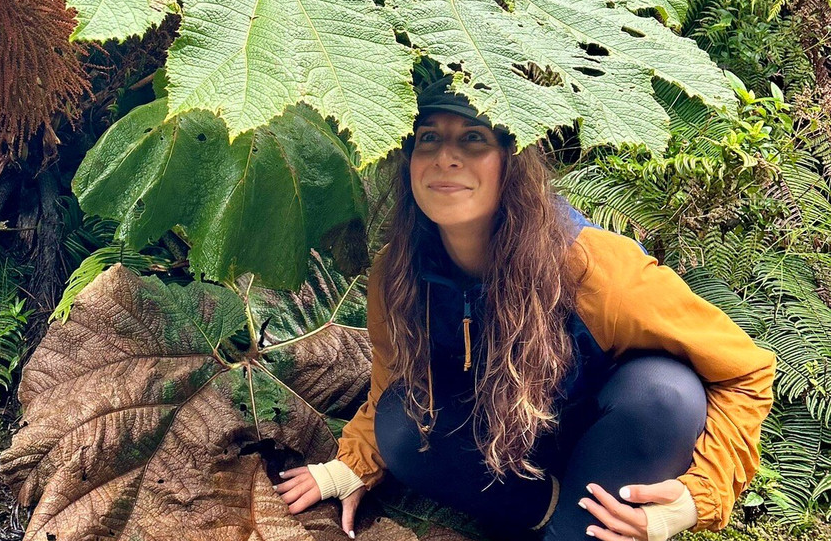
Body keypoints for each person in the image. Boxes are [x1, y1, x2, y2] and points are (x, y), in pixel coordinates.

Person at [275, 79, 775, 541]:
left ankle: (578, 524)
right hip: (514, 450)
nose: (446, 157)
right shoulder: (398, 272)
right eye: (428, 138)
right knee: (401, 421)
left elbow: (745, 370)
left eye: (473, 138)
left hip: (610, 436)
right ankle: (554, 516)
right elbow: (394, 376)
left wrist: (697, 497)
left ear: (510, 161)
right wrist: (353, 464)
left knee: (667, 393)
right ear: (406, 160)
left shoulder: (591, 266)